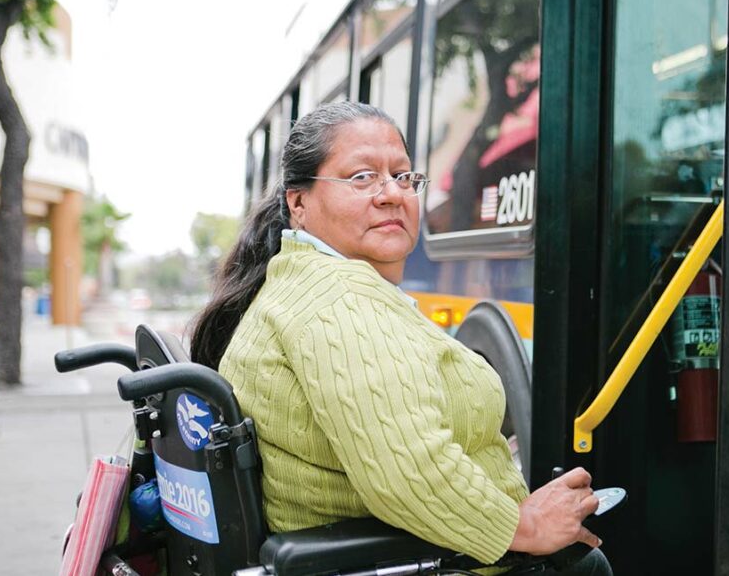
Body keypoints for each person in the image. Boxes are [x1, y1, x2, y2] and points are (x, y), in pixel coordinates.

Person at [189, 101, 611, 574]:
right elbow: (410, 471)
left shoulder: (304, 283)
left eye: (403, 176)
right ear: (298, 204)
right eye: (361, 178)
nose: (391, 193)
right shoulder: (339, 299)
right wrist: (528, 526)